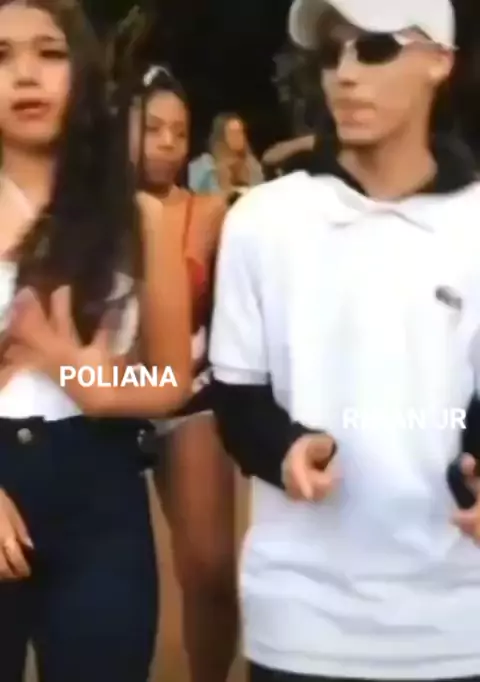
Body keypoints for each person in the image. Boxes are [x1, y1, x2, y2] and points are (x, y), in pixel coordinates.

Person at [210, 1, 480, 681]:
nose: (346, 74)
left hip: (458, 621)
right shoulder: (260, 221)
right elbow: (237, 396)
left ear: (439, 62)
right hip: (300, 619)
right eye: (332, 54)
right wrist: (284, 450)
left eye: (376, 48)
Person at [0, 1, 190, 681]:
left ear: (80, 71)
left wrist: (96, 383)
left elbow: (171, 380)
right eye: (1, 56)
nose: (26, 74)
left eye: (49, 53)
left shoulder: (137, 217)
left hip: (99, 493)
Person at [129, 65, 238, 682]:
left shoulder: (210, 211)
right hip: (99, 397)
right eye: (153, 129)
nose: (168, 143)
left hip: (188, 395)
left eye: (179, 131)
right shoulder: (87, 210)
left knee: (212, 569)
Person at [189, 112, 264, 199]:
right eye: (233, 133)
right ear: (221, 137)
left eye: (241, 132)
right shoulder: (205, 166)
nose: (239, 137)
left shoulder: (252, 165)